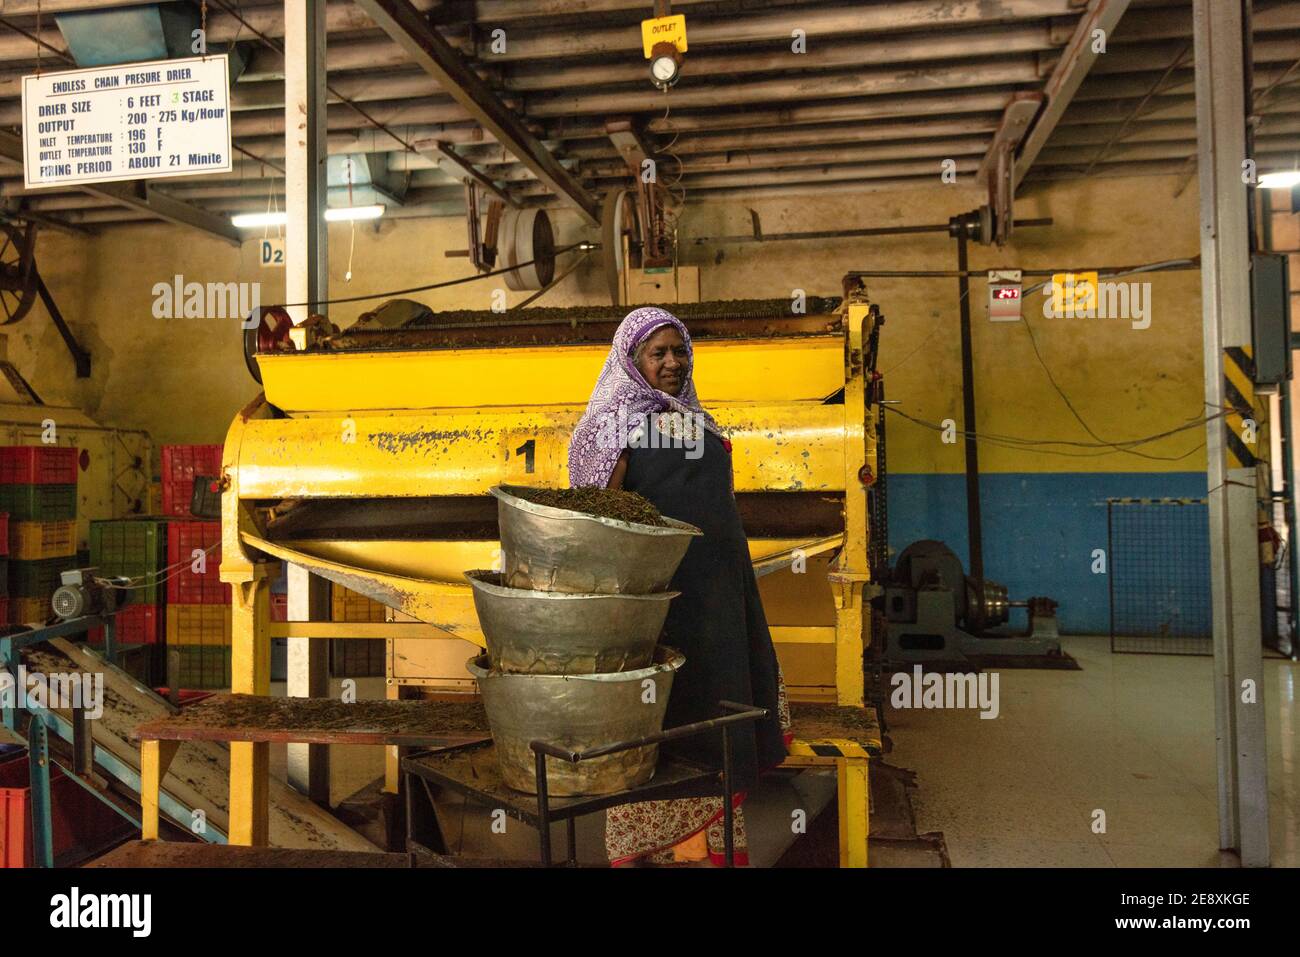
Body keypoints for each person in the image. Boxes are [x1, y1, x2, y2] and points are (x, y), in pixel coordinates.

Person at [568, 306, 791, 866]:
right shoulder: (607, 428)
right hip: (656, 610)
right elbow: (598, 521)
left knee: (719, 718)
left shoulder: (702, 421)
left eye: (679, 351)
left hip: (719, 605)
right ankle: (648, 852)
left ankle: (710, 851)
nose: (672, 363)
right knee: (658, 729)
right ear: (632, 359)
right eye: (657, 352)